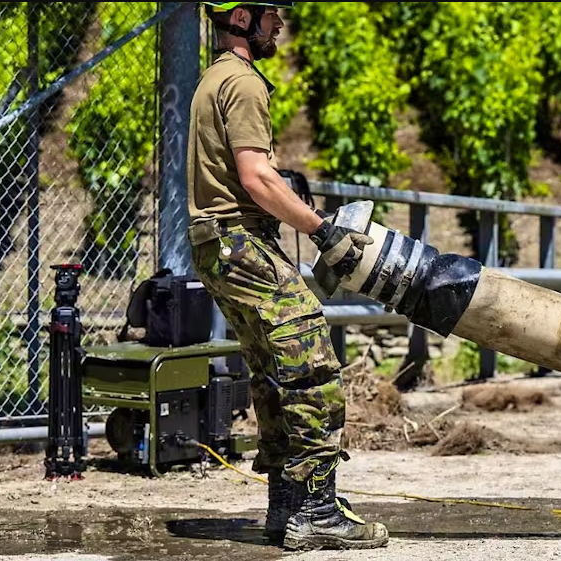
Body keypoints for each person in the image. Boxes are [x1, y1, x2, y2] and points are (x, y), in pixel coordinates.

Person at [184, 1, 389, 551]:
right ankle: (318, 510)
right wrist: (323, 230)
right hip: (238, 239)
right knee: (312, 359)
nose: (281, 24)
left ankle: (286, 506)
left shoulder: (214, 78)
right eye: (274, 13)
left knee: (273, 368)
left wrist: (282, 189)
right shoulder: (244, 84)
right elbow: (255, 179)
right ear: (245, 18)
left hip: (214, 246)